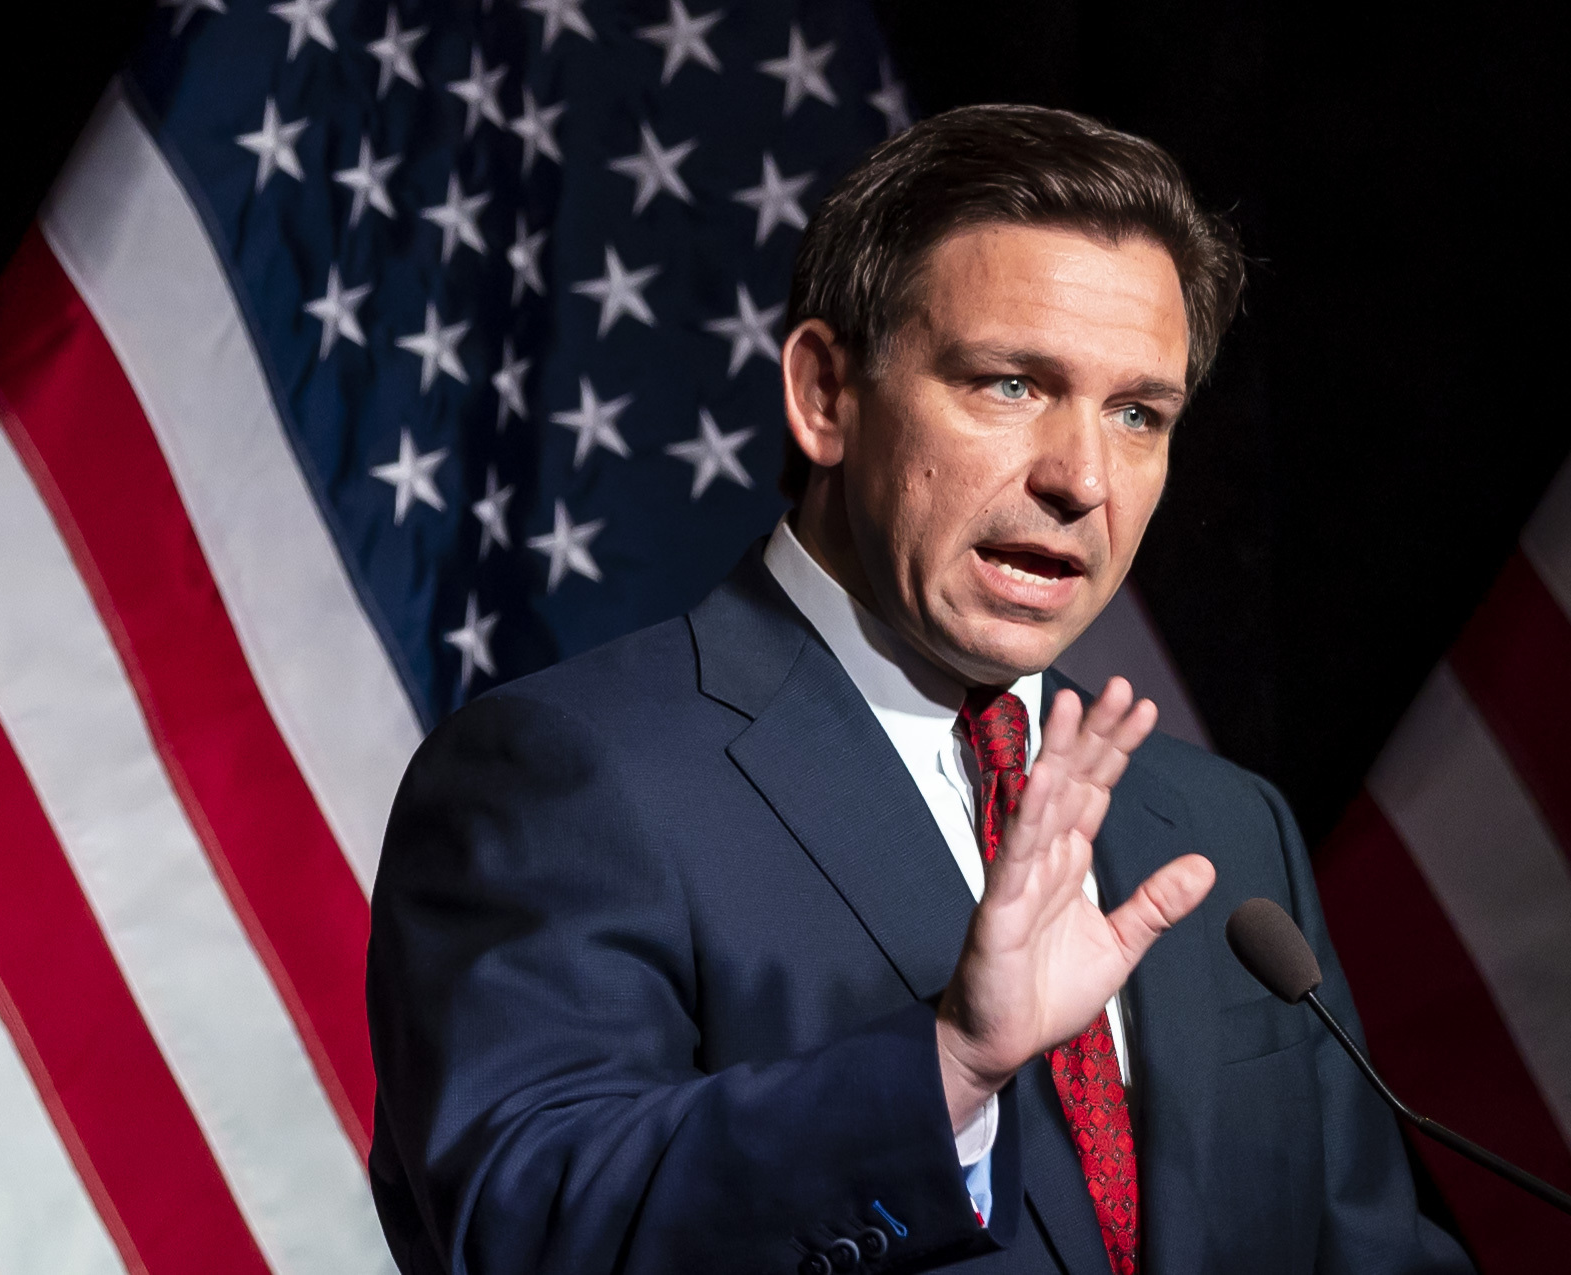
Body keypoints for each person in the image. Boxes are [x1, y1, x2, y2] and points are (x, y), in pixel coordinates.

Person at [365, 105, 1473, 1274]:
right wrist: (947, 1066)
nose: (1080, 478)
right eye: (1008, 384)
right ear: (826, 396)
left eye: (1136, 413)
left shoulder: (1220, 830)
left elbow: (1367, 1248)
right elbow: (530, 1235)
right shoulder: (567, 776)